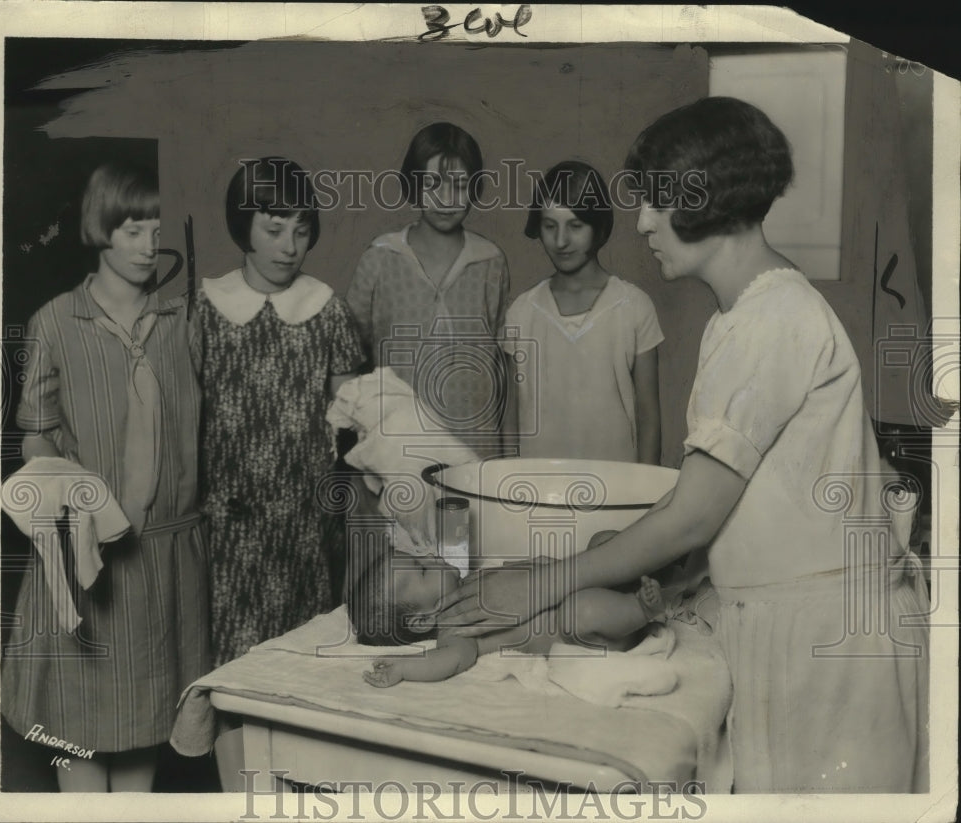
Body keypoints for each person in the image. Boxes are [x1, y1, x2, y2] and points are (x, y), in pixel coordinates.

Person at [438, 97, 929, 793]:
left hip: (828, 644)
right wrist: (605, 565)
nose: (641, 223)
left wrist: (540, 584)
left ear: (704, 200)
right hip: (800, 623)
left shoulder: (771, 320)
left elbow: (692, 517)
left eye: (655, 202)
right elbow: (713, 502)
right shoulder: (744, 316)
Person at [1, 162, 210, 792]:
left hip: (164, 560)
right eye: (132, 230)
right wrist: (64, 496)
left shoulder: (185, 321)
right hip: (86, 558)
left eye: (158, 231)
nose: (148, 246)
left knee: (144, 724)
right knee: (77, 724)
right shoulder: (55, 322)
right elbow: (36, 432)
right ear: (101, 229)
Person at [193, 157, 364, 668]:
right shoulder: (204, 309)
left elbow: (352, 427)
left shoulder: (328, 310)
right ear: (243, 225)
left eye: (301, 231)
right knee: (232, 667)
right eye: (274, 230)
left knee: (301, 663)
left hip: (306, 530)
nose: (290, 247)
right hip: (230, 530)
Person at [345, 122, 509, 456]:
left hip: (473, 447)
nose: (446, 199)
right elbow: (348, 358)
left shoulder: (490, 262)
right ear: (412, 184)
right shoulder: (380, 258)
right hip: (395, 449)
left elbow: (503, 363)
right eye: (432, 184)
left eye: (459, 185)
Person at [503, 160, 662, 463]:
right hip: (537, 487)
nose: (561, 241)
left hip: (617, 486)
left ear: (599, 228)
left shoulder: (634, 307)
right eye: (550, 226)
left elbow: (649, 421)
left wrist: (649, 486)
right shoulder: (521, 312)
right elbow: (510, 419)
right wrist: (508, 482)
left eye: (575, 226)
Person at [351, 547, 665, 687]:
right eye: (422, 569)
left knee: (602, 540)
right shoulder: (456, 630)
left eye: (420, 557)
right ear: (422, 621)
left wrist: (539, 565)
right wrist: (404, 668)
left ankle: (659, 576)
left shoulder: (470, 581)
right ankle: (642, 609)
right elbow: (447, 661)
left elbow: (514, 578)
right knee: (582, 612)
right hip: (591, 629)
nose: (431, 556)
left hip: (573, 583)